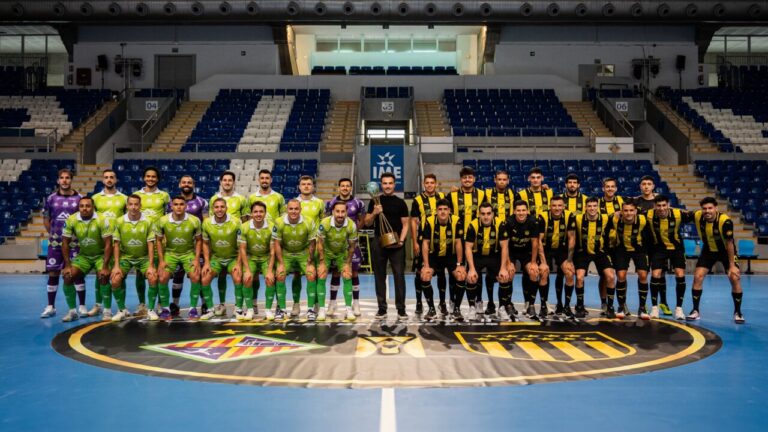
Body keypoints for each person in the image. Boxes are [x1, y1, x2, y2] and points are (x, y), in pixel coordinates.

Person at [690, 197, 744, 323]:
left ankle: (738, 312)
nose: (707, 211)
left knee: (734, 278)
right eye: (704, 208)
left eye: (710, 208)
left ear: (716, 208)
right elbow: (679, 213)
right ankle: (695, 311)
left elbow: (730, 243)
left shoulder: (725, 222)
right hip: (708, 250)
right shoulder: (698, 216)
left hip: (726, 251)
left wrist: (732, 266)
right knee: (698, 277)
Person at [365, 173, 410, 320]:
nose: (388, 186)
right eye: (385, 183)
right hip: (379, 242)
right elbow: (367, 222)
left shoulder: (400, 203)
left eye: (390, 183)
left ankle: (401, 309)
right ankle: (382, 309)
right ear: (381, 185)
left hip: (397, 244)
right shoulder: (374, 202)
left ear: (394, 184)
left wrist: (402, 241)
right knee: (379, 276)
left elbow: (405, 224)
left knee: (399, 276)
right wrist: (374, 213)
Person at [60, 197, 113, 322]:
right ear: (79, 207)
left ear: (93, 207)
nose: (85, 208)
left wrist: (105, 266)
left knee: (103, 276)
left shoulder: (102, 219)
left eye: (88, 206)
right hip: (84, 256)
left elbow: (108, 244)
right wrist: (67, 265)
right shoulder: (71, 219)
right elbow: (65, 243)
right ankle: (72, 311)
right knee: (68, 276)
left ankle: (107, 311)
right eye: (82, 206)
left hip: (100, 255)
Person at [40, 169, 83, 319]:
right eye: (62, 178)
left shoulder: (79, 198)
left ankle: (81, 306)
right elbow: (46, 218)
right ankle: (51, 306)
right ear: (58, 181)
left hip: (74, 244)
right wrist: (53, 235)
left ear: (71, 180)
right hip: (55, 243)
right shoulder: (51, 198)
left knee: (76, 273)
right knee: (53, 273)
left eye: (67, 178)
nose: (64, 180)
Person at [154, 196, 204, 319]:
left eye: (181, 204)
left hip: (188, 253)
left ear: (186, 206)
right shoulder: (163, 221)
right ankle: (165, 308)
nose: (179, 207)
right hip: (170, 254)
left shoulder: (194, 220)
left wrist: (197, 259)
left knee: (196, 275)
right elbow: (159, 241)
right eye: (176, 204)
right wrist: (161, 260)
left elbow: (199, 240)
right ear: (171, 206)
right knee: (162, 276)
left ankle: (192, 309)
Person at [646, 194, 695, 319]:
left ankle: (679, 309)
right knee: (655, 275)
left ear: (668, 205)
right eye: (658, 206)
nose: (661, 208)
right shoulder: (648, 214)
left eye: (664, 205)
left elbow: (697, 216)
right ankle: (654, 308)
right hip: (659, 249)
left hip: (677, 249)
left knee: (680, 275)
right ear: (654, 206)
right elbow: (631, 211)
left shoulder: (678, 214)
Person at [110, 194, 156, 321]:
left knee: (153, 277)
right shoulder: (119, 221)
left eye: (136, 204)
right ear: (127, 206)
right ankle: (121, 310)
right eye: (131, 204)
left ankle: (150, 310)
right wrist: (116, 266)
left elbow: (151, 244)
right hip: (126, 258)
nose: (134, 207)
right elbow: (116, 245)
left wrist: (151, 266)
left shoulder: (148, 221)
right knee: (115, 280)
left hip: (144, 258)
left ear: (140, 206)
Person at [324, 178, 366, 317]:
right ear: (339, 188)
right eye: (342, 186)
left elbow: (362, 220)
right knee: (335, 273)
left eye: (348, 186)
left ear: (351, 188)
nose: (345, 188)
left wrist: (353, 231)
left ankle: (356, 303)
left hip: (351, 243)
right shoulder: (330, 203)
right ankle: (333, 302)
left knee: (353, 273)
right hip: (335, 244)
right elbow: (327, 220)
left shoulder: (358, 203)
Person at [169, 175, 209, 317]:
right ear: (179, 184)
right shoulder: (171, 202)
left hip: (197, 245)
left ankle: (204, 304)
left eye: (189, 182)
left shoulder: (202, 202)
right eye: (184, 182)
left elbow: (206, 223)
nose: (186, 184)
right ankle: (175, 304)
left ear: (194, 185)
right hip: (178, 246)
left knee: (198, 275)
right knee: (177, 276)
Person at [133, 166, 170, 317]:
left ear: (158, 179)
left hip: (158, 239)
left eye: (153, 177)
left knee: (160, 271)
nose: (150, 179)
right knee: (140, 273)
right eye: (148, 176)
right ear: (144, 178)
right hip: (140, 239)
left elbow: (168, 216)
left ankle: (161, 303)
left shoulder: (164, 196)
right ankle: (142, 304)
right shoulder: (136, 195)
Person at [273, 199, 318, 321]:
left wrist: (309, 261)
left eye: (296, 209)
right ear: (287, 210)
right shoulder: (279, 222)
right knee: (280, 274)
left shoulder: (309, 222)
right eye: (291, 209)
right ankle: (281, 309)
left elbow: (312, 243)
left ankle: (310, 309)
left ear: (300, 210)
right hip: (286, 253)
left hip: (303, 252)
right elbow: (276, 243)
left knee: (311, 274)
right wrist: (281, 263)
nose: (293, 211)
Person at [420, 199, 465, 319]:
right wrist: (426, 265)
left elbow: (458, 243)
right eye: (440, 209)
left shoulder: (456, 221)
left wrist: (460, 264)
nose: (443, 212)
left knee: (461, 275)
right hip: (434, 255)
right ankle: (431, 309)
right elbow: (425, 243)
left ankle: (456, 309)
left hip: (451, 256)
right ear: (436, 211)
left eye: (445, 209)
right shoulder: (429, 221)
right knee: (425, 275)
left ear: (449, 211)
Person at [464, 202, 510, 321]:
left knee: (505, 276)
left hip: (494, 256)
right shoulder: (473, 225)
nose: (486, 216)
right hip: (477, 256)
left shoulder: (500, 224)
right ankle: (472, 307)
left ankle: (502, 308)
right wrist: (471, 269)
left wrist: (503, 267)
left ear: (493, 214)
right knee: (471, 277)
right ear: (479, 214)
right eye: (483, 214)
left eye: (489, 213)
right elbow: (468, 247)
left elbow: (504, 247)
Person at [449, 166, 485, 310]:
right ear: (461, 180)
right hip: (457, 239)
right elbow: (444, 211)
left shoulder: (482, 194)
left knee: (475, 270)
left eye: (470, 177)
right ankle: (453, 301)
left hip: (475, 239)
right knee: (457, 271)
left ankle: (478, 300)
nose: (467, 180)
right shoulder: (452, 195)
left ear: (474, 179)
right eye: (464, 177)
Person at [573, 197, 617, 318]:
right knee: (580, 277)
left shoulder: (605, 218)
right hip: (583, 252)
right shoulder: (578, 218)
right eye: (589, 206)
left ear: (597, 207)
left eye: (594, 206)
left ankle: (610, 306)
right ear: (585, 207)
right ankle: (580, 306)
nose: (592, 208)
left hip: (600, 252)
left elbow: (621, 213)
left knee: (610, 276)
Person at [317, 201, 359, 321]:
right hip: (326, 253)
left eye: (343, 212)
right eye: (337, 211)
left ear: (346, 212)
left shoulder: (351, 225)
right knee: (321, 275)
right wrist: (321, 262)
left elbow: (352, 246)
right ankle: (321, 309)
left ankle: (348, 309)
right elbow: (319, 243)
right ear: (332, 212)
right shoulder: (325, 223)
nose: (340, 215)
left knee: (347, 275)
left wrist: (348, 263)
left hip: (342, 253)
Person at [201, 198, 243, 319]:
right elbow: (205, 243)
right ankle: (210, 309)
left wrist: (239, 263)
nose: (219, 209)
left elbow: (242, 244)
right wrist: (207, 263)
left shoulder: (236, 222)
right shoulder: (207, 223)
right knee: (205, 279)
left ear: (226, 208)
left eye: (222, 207)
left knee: (238, 277)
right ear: (213, 209)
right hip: (217, 258)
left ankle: (238, 308)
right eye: (217, 207)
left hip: (233, 258)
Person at [611, 200, 652, 320]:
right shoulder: (614, 219)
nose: (628, 213)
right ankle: (621, 306)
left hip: (639, 249)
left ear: (635, 211)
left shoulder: (643, 220)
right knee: (621, 276)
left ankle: (642, 308)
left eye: (631, 210)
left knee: (643, 275)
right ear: (621, 212)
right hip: (622, 249)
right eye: (625, 210)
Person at [410, 174, 444, 315]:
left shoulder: (442, 197)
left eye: (432, 183)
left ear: (436, 184)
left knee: (441, 272)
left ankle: (442, 303)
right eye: (427, 183)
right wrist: (414, 242)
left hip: (439, 240)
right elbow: (413, 221)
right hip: (422, 238)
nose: (429, 185)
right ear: (424, 184)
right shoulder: (417, 200)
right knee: (420, 273)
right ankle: (419, 302)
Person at [537, 196, 577, 318]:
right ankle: (543, 305)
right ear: (550, 207)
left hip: (562, 249)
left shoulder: (569, 215)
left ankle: (566, 306)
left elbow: (571, 238)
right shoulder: (542, 216)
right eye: (554, 206)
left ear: (563, 206)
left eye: (560, 205)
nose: (557, 208)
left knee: (569, 273)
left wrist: (569, 261)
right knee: (543, 272)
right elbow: (538, 240)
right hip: (546, 248)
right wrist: (543, 262)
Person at [293, 175, 325, 316]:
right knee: (296, 275)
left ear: (313, 186)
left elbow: (322, 223)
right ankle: (296, 304)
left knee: (315, 275)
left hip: (315, 244)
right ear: (299, 186)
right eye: (303, 184)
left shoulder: (319, 203)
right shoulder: (294, 203)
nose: (306, 186)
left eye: (309, 184)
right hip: (298, 245)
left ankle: (316, 303)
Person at [239, 201, 275, 321]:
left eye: (261, 211)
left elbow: (272, 251)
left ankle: (268, 310)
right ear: (251, 213)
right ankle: (249, 310)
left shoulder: (271, 227)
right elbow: (243, 250)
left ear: (265, 213)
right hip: (251, 257)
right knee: (247, 278)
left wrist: (269, 270)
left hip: (266, 258)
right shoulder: (244, 227)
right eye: (255, 212)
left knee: (270, 279)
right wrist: (248, 270)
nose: (258, 214)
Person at [505, 201, 541, 319]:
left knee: (534, 272)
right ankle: (508, 304)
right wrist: (508, 263)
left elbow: (535, 242)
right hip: (512, 252)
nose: (521, 213)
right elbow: (505, 245)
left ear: (527, 211)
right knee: (509, 272)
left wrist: (534, 262)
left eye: (523, 210)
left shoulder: (533, 222)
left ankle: (530, 305)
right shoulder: (509, 222)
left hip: (527, 252)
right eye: (518, 210)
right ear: (514, 211)